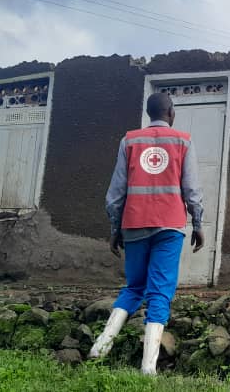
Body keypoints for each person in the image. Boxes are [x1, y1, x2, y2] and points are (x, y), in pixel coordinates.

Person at [88, 92, 205, 375]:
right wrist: (198, 223)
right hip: (169, 227)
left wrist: (115, 229)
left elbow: (114, 194)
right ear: (171, 113)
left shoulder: (129, 141)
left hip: (134, 225)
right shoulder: (182, 141)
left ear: (148, 113)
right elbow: (191, 190)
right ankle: (148, 369)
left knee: (134, 286)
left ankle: (100, 347)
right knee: (160, 292)